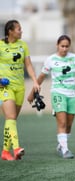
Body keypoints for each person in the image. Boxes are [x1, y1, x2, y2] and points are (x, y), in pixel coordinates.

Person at [27, 35, 75, 158]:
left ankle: (61, 145)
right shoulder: (51, 59)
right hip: (58, 93)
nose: (64, 48)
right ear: (57, 45)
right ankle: (65, 150)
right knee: (62, 122)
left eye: (67, 46)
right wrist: (31, 94)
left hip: (72, 94)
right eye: (62, 46)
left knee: (68, 124)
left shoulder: (74, 58)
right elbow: (41, 77)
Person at [0, 20, 40, 161]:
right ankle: (16, 148)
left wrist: (35, 81)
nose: (21, 31)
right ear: (10, 31)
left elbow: (28, 65)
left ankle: (5, 152)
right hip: (4, 88)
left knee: (11, 120)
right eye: (18, 29)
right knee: (10, 117)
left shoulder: (23, 45)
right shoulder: (0, 45)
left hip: (20, 87)